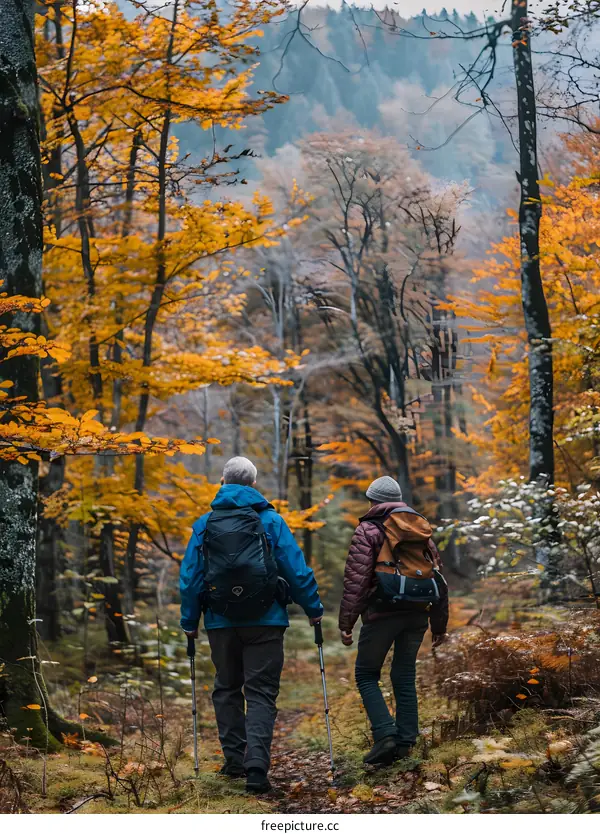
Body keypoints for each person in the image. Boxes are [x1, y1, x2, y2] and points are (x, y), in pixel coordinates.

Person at [180, 456, 323, 794]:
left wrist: (190, 621)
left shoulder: (204, 524)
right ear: (253, 484)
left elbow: (189, 579)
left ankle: (234, 761)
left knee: (227, 688)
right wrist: (313, 608)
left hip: (220, 621)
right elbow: (295, 568)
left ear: (222, 481)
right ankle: (256, 767)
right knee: (260, 692)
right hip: (266, 619)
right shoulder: (271, 521)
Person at [339, 476, 448, 766]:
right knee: (404, 675)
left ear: (372, 500)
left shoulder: (368, 529)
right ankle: (406, 741)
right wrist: (439, 626)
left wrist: (346, 623)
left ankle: (386, 734)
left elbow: (356, 581)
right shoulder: (420, 529)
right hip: (417, 613)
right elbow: (438, 577)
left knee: (366, 674)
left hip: (381, 613)